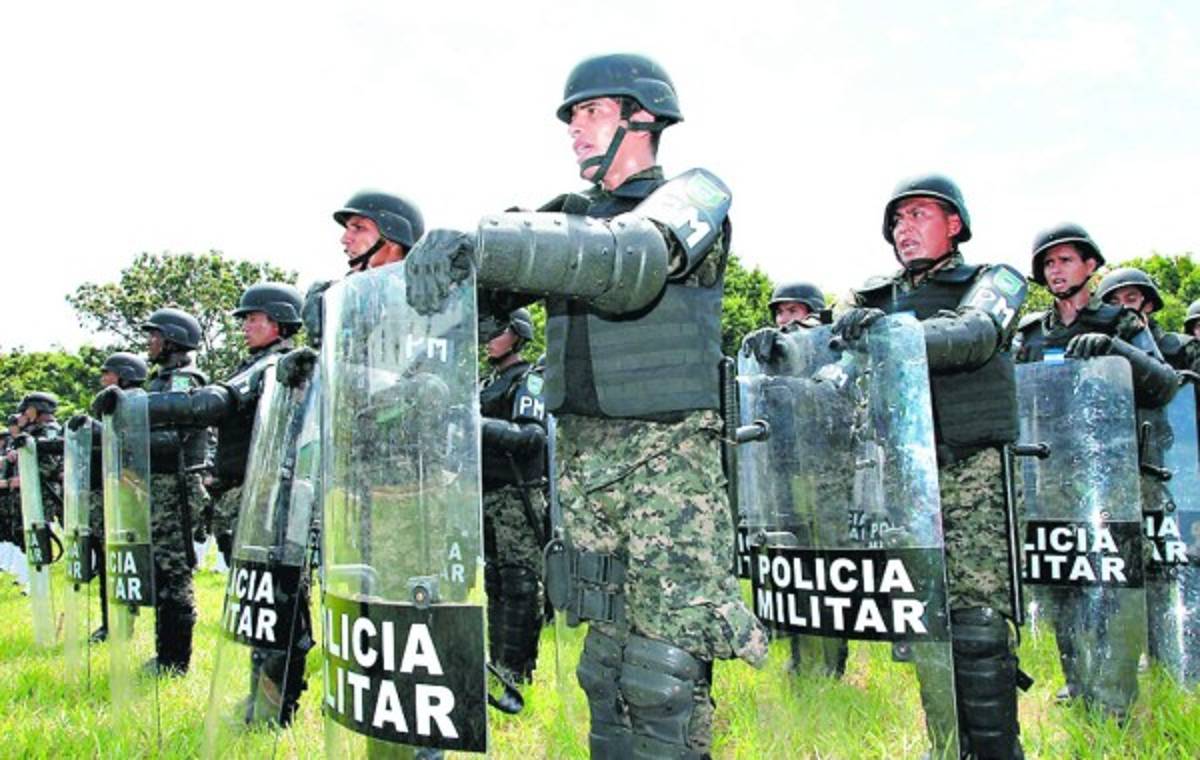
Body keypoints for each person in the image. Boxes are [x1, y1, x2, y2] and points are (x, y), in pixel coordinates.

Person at [404, 52, 767, 758]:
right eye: (572, 116)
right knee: (604, 669)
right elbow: (498, 297)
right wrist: (450, 284)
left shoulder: (695, 197)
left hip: (669, 465)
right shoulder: (569, 217)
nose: (574, 129)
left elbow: (626, 261)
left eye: (591, 112)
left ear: (643, 118)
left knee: (664, 673)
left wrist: (486, 243)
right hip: (584, 465)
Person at [834, 174, 1027, 758]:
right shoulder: (876, 299)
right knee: (925, 624)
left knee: (976, 626)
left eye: (919, 215)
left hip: (971, 472)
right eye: (898, 220)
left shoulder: (996, 281)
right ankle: (946, 745)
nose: (904, 228)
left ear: (955, 225)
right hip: (903, 483)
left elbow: (974, 333)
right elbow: (831, 360)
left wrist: (890, 333)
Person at [1013, 223, 1177, 719]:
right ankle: (1078, 680)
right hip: (1053, 478)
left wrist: (1114, 351)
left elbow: (1165, 385)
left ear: (1089, 267)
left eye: (1066, 260)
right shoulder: (1032, 334)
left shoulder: (1121, 323)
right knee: (1064, 584)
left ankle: (1116, 693)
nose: (1056, 270)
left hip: (1116, 477)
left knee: (1115, 584)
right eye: (1049, 263)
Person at [479, 307, 548, 684]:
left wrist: (477, 425)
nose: (488, 335)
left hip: (517, 496)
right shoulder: (485, 384)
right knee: (496, 583)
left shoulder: (529, 380)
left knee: (521, 583)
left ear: (517, 334)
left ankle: (517, 672)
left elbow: (530, 436)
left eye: (497, 328)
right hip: (487, 495)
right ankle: (497, 666)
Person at [76, 352, 149, 642]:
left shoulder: (136, 404)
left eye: (108, 373)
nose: (102, 379)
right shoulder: (111, 407)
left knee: (124, 563)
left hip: (129, 494)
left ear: (123, 375)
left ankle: (121, 623)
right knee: (110, 563)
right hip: (110, 493)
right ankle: (113, 623)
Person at [1096, 267, 1200, 374]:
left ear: (1148, 305)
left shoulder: (1185, 348)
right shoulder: (1100, 352)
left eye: (1131, 299)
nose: (1123, 307)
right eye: (1114, 303)